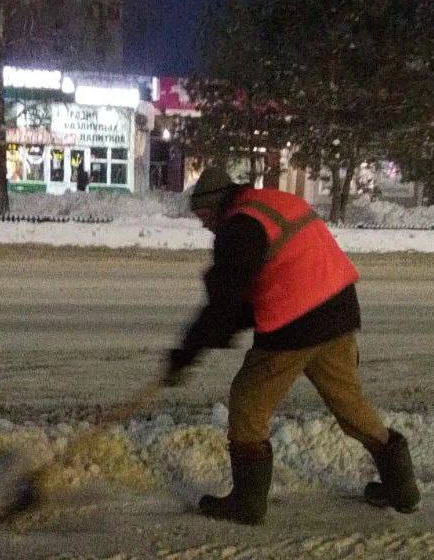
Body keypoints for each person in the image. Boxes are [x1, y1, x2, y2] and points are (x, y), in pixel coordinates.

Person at [162, 167, 420, 526]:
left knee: (248, 402)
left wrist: (185, 355)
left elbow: (224, 305)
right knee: (348, 402)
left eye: (203, 215)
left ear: (217, 203)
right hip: (338, 311)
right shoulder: (272, 203)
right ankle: (402, 490)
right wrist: (216, 332)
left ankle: (247, 504)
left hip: (295, 324)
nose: (204, 225)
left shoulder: (238, 227)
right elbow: (252, 289)